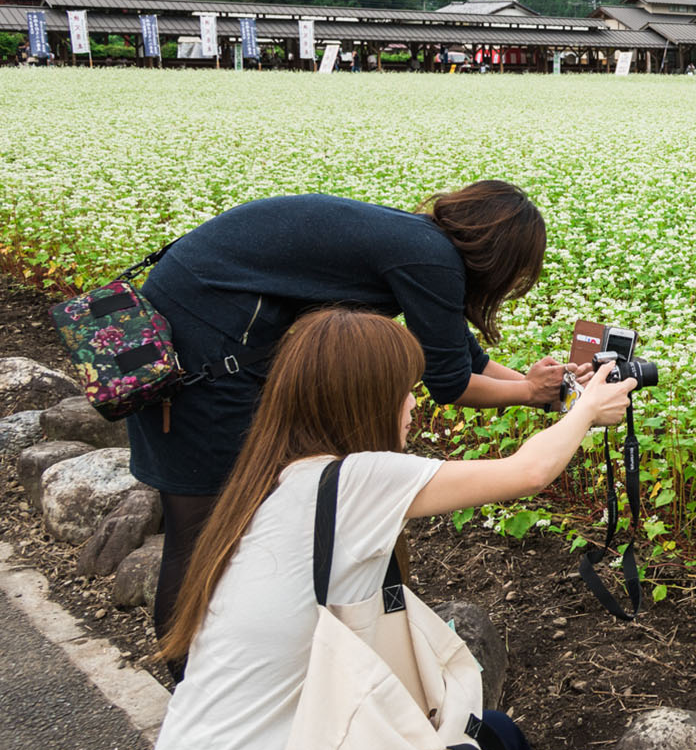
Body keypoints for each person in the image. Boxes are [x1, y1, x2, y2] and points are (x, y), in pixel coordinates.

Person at [145, 307, 635, 750]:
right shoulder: (354, 481)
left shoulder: (266, 481)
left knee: (495, 738)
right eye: (405, 392)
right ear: (364, 401)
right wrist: (588, 409)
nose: (413, 407)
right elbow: (528, 473)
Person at [127, 181, 578, 643]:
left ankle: (226, 673)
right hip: (198, 354)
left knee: (234, 518)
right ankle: (190, 682)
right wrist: (527, 393)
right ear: (501, 258)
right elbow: (451, 384)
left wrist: (539, 386)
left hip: (191, 319)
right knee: (201, 527)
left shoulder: (420, 243)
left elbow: (466, 359)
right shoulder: (428, 257)